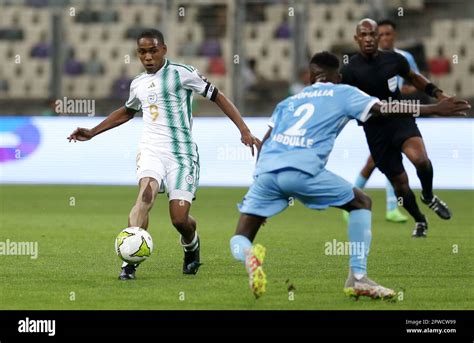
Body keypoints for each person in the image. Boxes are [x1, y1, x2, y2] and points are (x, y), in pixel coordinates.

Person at [229, 51, 469, 299]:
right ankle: (357, 278)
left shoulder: (288, 102)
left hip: (267, 172)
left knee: (240, 237)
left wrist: (260, 187)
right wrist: (434, 108)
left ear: (310, 77)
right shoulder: (344, 92)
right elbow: (387, 108)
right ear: (339, 76)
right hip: (302, 169)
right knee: (361, 202)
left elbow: (265, 142)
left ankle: (250, 256)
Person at [68, 29, 261, 280]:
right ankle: (129, 263)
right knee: (144, 197)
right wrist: (93, 131)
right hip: (151, 150)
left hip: (181, 154)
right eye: (142, 52)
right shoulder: (137, 84)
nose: (147, 56)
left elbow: (218, 96)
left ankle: (191, 245)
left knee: (180, 219)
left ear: (164, 50)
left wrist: (244, 130)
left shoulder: (182, 73)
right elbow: (128, 111)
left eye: (153, 51)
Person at [341, 19, 461, 237]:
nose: (368, 39)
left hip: (400, 120)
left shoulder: (394, 60)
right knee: (401, 185)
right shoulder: (349, 71)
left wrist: (438, 93)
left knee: (421, 160)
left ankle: (428, 195)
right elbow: (342, 101)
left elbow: (414, 77)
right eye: (363, 35)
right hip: (375, 130)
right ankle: (420, 219)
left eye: (372, 34)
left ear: (378, 37)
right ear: (356, 39)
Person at [344, 19, 422, 224]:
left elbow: (415, 80)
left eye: (387, 34)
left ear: (390, 36)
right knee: (376, 163)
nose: (384, 38)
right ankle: (360, 202)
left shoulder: (403, 58)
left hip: (396, 117)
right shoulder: (357, 65)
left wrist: (405, 90)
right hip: (376, 121)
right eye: (383, 34)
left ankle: (389, 207)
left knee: (386, 163)